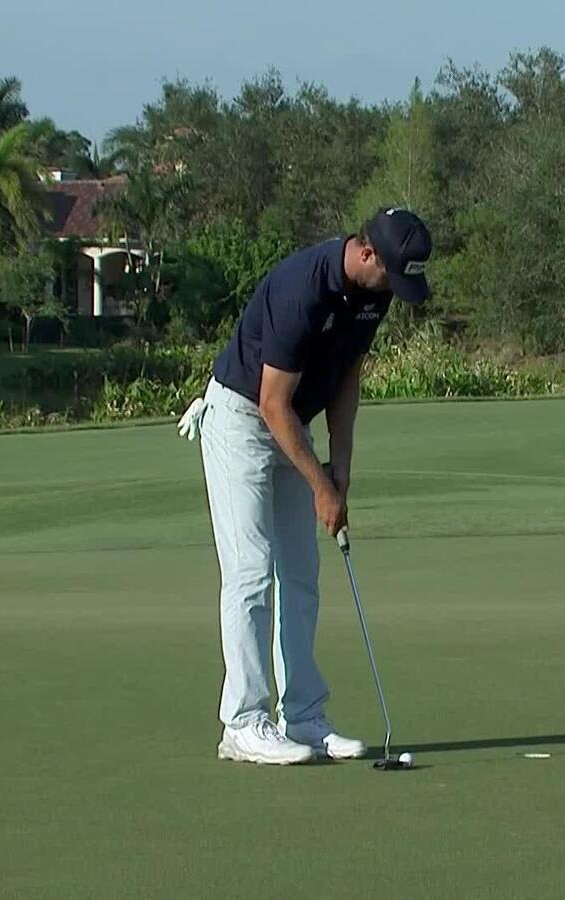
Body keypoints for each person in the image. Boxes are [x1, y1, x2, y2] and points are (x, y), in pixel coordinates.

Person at [176, 208, 433, 765]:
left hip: (292, 421)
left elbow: (347, 378)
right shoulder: (304, 289)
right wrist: (321, 486)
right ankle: (243, 723)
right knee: (250, 569)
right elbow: (271, 402)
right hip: (242, 418)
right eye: (393, 273)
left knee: (300, 572)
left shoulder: (374, 293)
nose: (396, 287)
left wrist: (340, 471)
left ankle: (305, 717)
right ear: (366, 255)